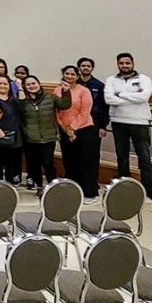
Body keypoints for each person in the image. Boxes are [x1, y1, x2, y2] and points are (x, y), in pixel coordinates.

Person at [104, 53, 152, 201]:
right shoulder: (111, 80)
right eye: (121, 63)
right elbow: (109, 99)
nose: (124, 66)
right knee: (122, 157)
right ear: (117, 64)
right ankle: (124, 187)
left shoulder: (144, 79)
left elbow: (144, 97)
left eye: (127, 63)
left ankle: (150, 190)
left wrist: (120, 94)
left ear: (132, 63)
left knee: (144, 158)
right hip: (118, 121)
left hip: (139, 122)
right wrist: (133, 98)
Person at [18, 75, 71, 197]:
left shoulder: (50, 97)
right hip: (30, 138)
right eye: (28, 84)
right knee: (34, 165)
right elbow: (19, 110)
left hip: (49, 137)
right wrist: (20, 90)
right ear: (25, 86)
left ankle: (52, 186)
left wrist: (66, 91)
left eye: (34, 83)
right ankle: (39, 187)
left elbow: (65, 105)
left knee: (48, 163)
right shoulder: (23, 100)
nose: (32, 86)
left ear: (39, 84)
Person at [54, 65, 98, 202]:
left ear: (77, 76)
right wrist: (65, 128)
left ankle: (89, 192)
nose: (69, 76)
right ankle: (72, 189)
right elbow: (56, 112)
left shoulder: (84, 91)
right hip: (65, 131)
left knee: (86, 161)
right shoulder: (57, 90)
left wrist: (73, 128)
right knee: (69, 160)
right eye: (67, 73)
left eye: (72, 74)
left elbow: (85, 112)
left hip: (84, 129)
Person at [77, 57, 110, 170]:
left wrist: (103, 126)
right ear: (79, 68)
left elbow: (104, 107)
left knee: (92, 153)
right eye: (83, 66)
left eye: (88, 66)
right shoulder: (73, 84)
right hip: (76, 122)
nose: (86, 68)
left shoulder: (99, 85)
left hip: (93, 124)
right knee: (77, 152)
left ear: (92, 68)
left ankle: (91, 182)